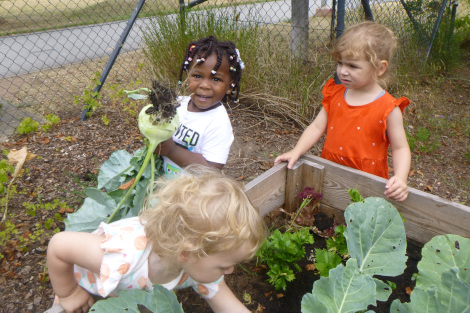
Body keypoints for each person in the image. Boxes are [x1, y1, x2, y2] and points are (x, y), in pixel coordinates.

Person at [47, 165, 266, 313]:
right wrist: (69, 292)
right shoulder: (122, 255)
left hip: (123, 291)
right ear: (186, 253)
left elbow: (230, 307)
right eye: (225, 266)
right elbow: (59, 245)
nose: (230, 272)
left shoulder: (197, 267)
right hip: (86, 281)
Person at [274, 21, 411, 202]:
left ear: (380, 68)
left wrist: (400, 178)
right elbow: (316, 127)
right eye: (340, 63)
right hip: (330, 172)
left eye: (353, 66)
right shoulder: (335, 95)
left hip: (368, 181)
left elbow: (400, 148)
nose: (342, 71)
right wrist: (297, 151)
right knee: (330, 210)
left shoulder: (388, 108)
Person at [156, 36, 244, 178]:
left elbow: (211, 171)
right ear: (187, 75)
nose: (204, 85)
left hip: (194, 194)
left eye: (216, 79)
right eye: (197, 76)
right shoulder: (177, 104)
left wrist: (171, 151)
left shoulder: (218, 123)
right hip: (163, 185)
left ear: (230, 86)